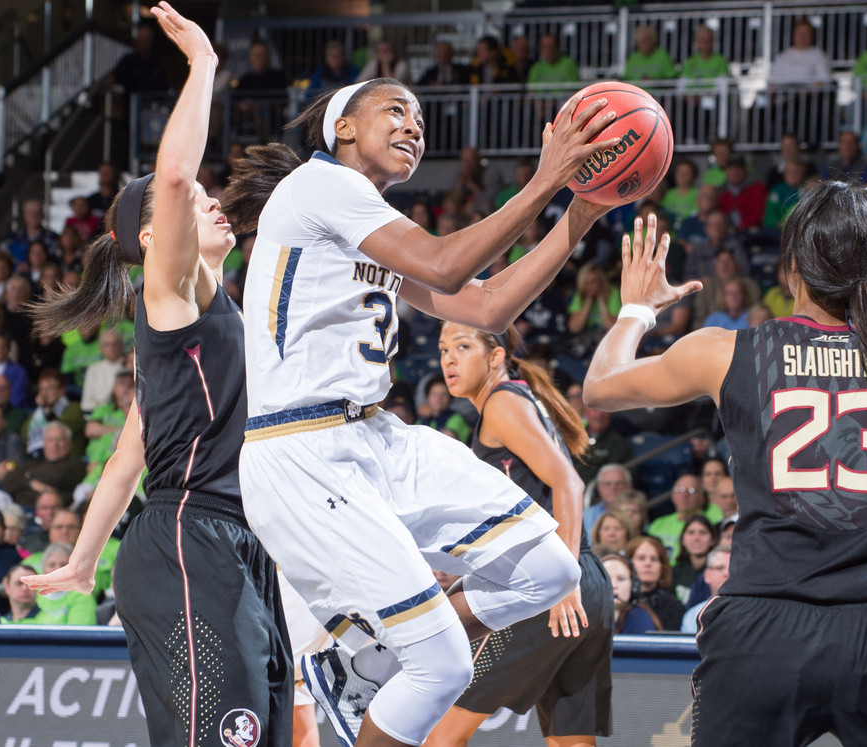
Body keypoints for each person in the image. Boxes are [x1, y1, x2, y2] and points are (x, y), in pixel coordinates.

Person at [221, 75, 617, 746]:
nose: (415, 126)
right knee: (442, 664)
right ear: (344, 127)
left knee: (552, 569)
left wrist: (580, 212)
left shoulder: (363, 221)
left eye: (423, 119)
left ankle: (372, 650)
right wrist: (546, 180)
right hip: (304, 450)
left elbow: (487, 307)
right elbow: (441, 263)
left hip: (370, 437)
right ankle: (391, 651)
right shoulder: (321, 186)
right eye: (397, 110)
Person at [583, 189, 867, 744]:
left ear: (793, 270)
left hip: (762, 629)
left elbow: (600, 386)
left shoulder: (724, 350)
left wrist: (638, 308)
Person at [21, 5, 294, 746]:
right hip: (189, 536)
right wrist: (204, 64)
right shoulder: (170, 294)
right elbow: (173, 174)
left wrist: (83, 561)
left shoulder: (202, 332)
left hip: (239, 544)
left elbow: (124, 458)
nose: (211, 202)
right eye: (198, 204)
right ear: (153, 237)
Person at [425, 322, 613, 746]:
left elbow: (570, 484)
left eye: (462, 346)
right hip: (588, 581)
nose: (448, 359)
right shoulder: (519, 399)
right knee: (571, 741)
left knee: (438, 735)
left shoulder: (502, 404)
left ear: (495, 357)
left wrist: (563, 582)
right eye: (442, 349)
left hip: (550, 584)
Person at [626, 535, 685, 629]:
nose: (648, 563)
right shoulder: (619, 601)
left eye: (654, 559)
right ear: (628, 564)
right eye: (641, 558)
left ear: (662, 567)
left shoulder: (675, 607)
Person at [601, 553, 662, 634]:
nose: (614, 585)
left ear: (633, 585)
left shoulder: (639, 618)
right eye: (607, 579)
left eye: (621, 579)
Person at [680, 544, 730, 633]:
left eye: (731, 568)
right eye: (719, 568)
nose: (726, 573)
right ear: (707, 575)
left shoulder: (752, 611)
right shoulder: (692, 615)